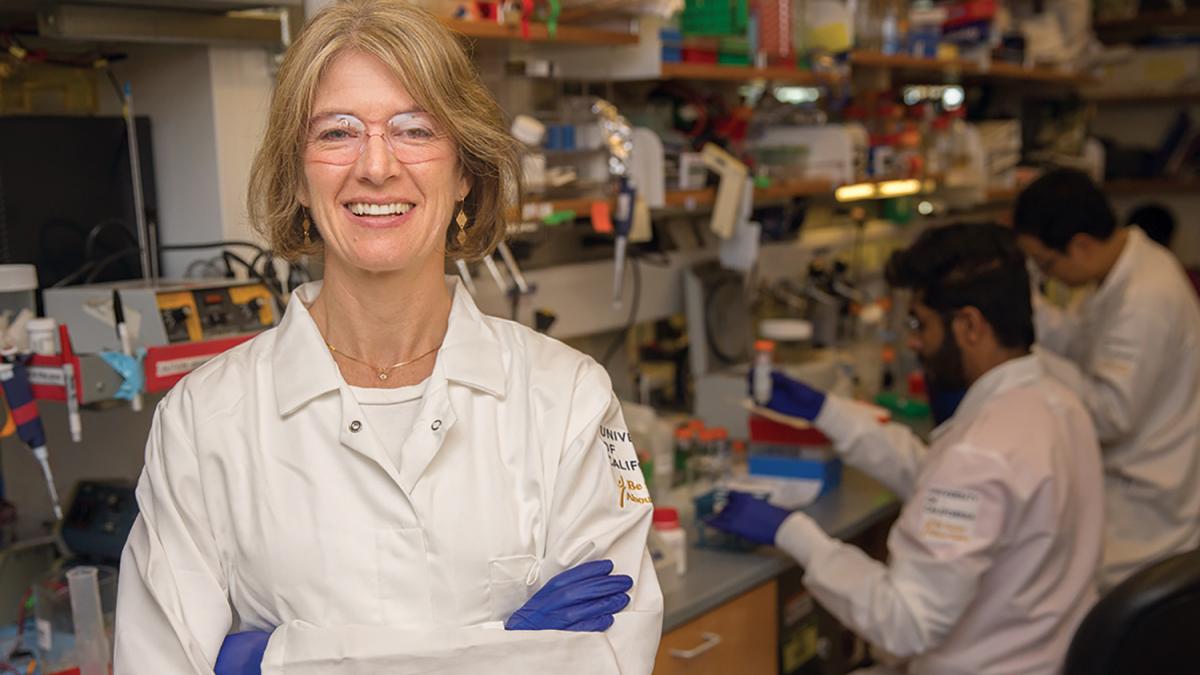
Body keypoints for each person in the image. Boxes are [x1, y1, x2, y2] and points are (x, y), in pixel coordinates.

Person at [113, 2, 662, 673]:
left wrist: (282, 658)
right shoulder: (205, 422)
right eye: (338, 132)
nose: (376, 166)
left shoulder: (567, 399)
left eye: (415, 129)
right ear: (299, 176)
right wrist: (507, 647)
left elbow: (613, 657)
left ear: (464, 172)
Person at [709, 224, 1104, 674]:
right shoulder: (1060, 403)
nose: (913, 342)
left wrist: (793, 534)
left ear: (971, 325)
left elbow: (905, 622)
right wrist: (827, 413)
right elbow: (953, 488)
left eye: (921, 324)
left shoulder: (981, 453)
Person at [1013, 168, 1200, 591]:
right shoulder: (1126, 268)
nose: (1050, 275)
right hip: (1136, 497)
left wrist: (1023, 354)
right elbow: (1081, 342)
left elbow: (1111, 416)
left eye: (1046, 264)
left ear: (1080, 245)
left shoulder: (1144, 299)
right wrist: (1024, 307)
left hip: (1146, 517)